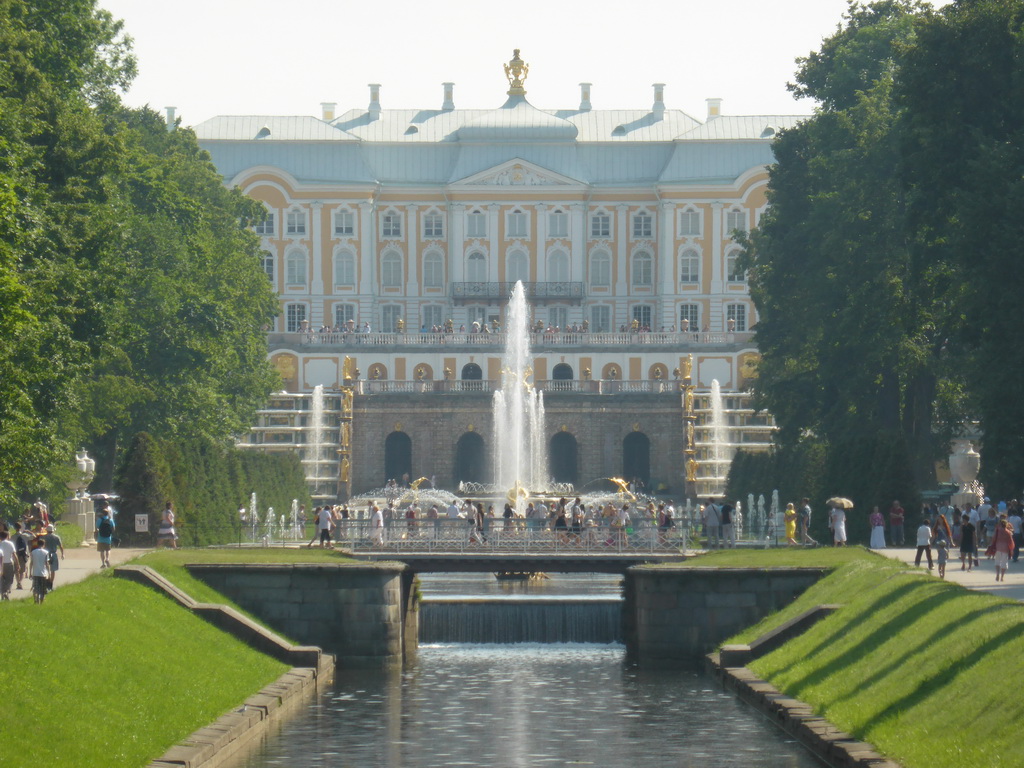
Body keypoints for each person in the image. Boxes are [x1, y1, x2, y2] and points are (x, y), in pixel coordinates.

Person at [987, 518, 1015, 582]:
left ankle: (997, 574)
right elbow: (1010, 542)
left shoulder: (997, 531)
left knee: (997, 561)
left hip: (998, 547)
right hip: (1005, 548)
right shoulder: (1008, 532)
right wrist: (1011, 549)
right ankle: (1002, 577)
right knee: (1004, 563)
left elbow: (994, 538)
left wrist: (992, 544)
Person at [28, 537, 51, 604]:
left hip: (35, 573)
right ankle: (42, 599)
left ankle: (36, 599)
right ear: (44, 545)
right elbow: (47, 564)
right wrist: (49, 573)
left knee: (35, 587)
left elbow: (31, 563)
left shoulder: (33, 552)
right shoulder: (46, 552)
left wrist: (30, 572)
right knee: (43, 588)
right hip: (43, 573)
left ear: (37, 544)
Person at [42, 524, 64, 591]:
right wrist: (62, 554)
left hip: (45, 554)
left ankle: (46, 581)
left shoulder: (43, 537)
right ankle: (51, 583)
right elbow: (61, 546)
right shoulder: (56, 537)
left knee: (45, 569)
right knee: (53, 570)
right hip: (54, 554)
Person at [933, 515, 952, 579]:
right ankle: (940, 568)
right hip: (939, 542)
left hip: (946, 542)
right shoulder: (936, 527)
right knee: (940, 554)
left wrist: (952, 542)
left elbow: (949, 535)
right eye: (938, 519)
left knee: (945, 555)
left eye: (940, 519)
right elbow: (934, 536)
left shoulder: (946, 527)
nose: (939, 520)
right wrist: (930, 542)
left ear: (943, 519)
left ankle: (943, 570)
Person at [0, 530, 16, 600]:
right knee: (9, 579)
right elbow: (14, 554)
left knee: (2, 579)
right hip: (9, 563)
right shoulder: (10, 543)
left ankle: (3, 592)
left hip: (1, 564)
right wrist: (17, 564)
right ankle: (6, 591)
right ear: (7, 536)